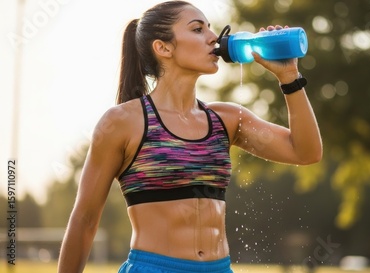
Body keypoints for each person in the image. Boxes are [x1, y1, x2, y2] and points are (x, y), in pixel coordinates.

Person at [57, 1, 322, 272]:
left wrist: (289, 77)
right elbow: (85, 219)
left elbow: (306, 152)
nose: (213, 37)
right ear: (163, 47)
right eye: (197, 29)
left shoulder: (228, 119)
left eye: (210, 28)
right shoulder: (122, 122)